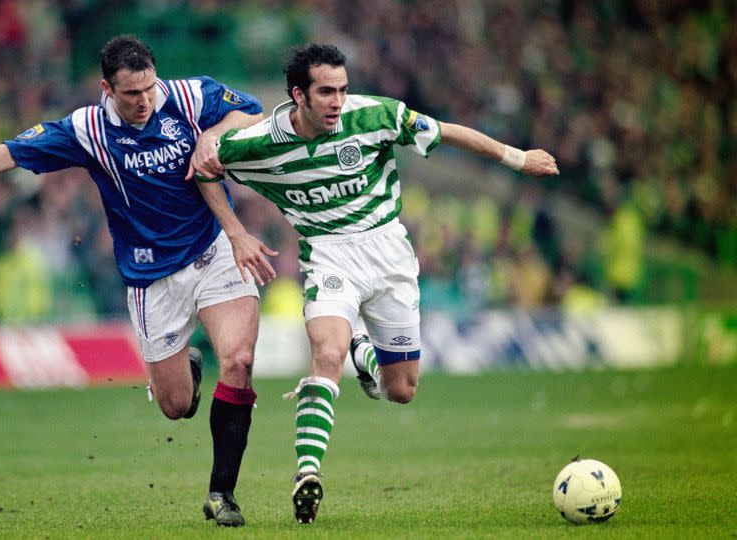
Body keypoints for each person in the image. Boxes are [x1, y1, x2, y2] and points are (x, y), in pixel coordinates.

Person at [0, 35, 277, 527]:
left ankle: (222, 493)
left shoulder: (190, 96)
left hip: (215, 251)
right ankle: (183, 373)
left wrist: (213, 134)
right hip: (152, 277)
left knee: (239, 359)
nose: (145, 101)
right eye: (132, 94)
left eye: (149, 88)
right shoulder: (87, 129)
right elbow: (14, 151)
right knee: (175, 407)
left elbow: (252, 111)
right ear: (107, 88)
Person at [195, 43, 559, 524]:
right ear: (298, 95)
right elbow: (203, 170)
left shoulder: (374, 116)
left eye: (342, 90)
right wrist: (236, 232)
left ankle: (363, 353)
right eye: (326, 91)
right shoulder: (261, 142)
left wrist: (517, 158)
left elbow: (445, 132)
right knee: (326, 352)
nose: (337, 101)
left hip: (389, 254)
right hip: (327, 255)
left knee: (402, 389)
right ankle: (308, 474)